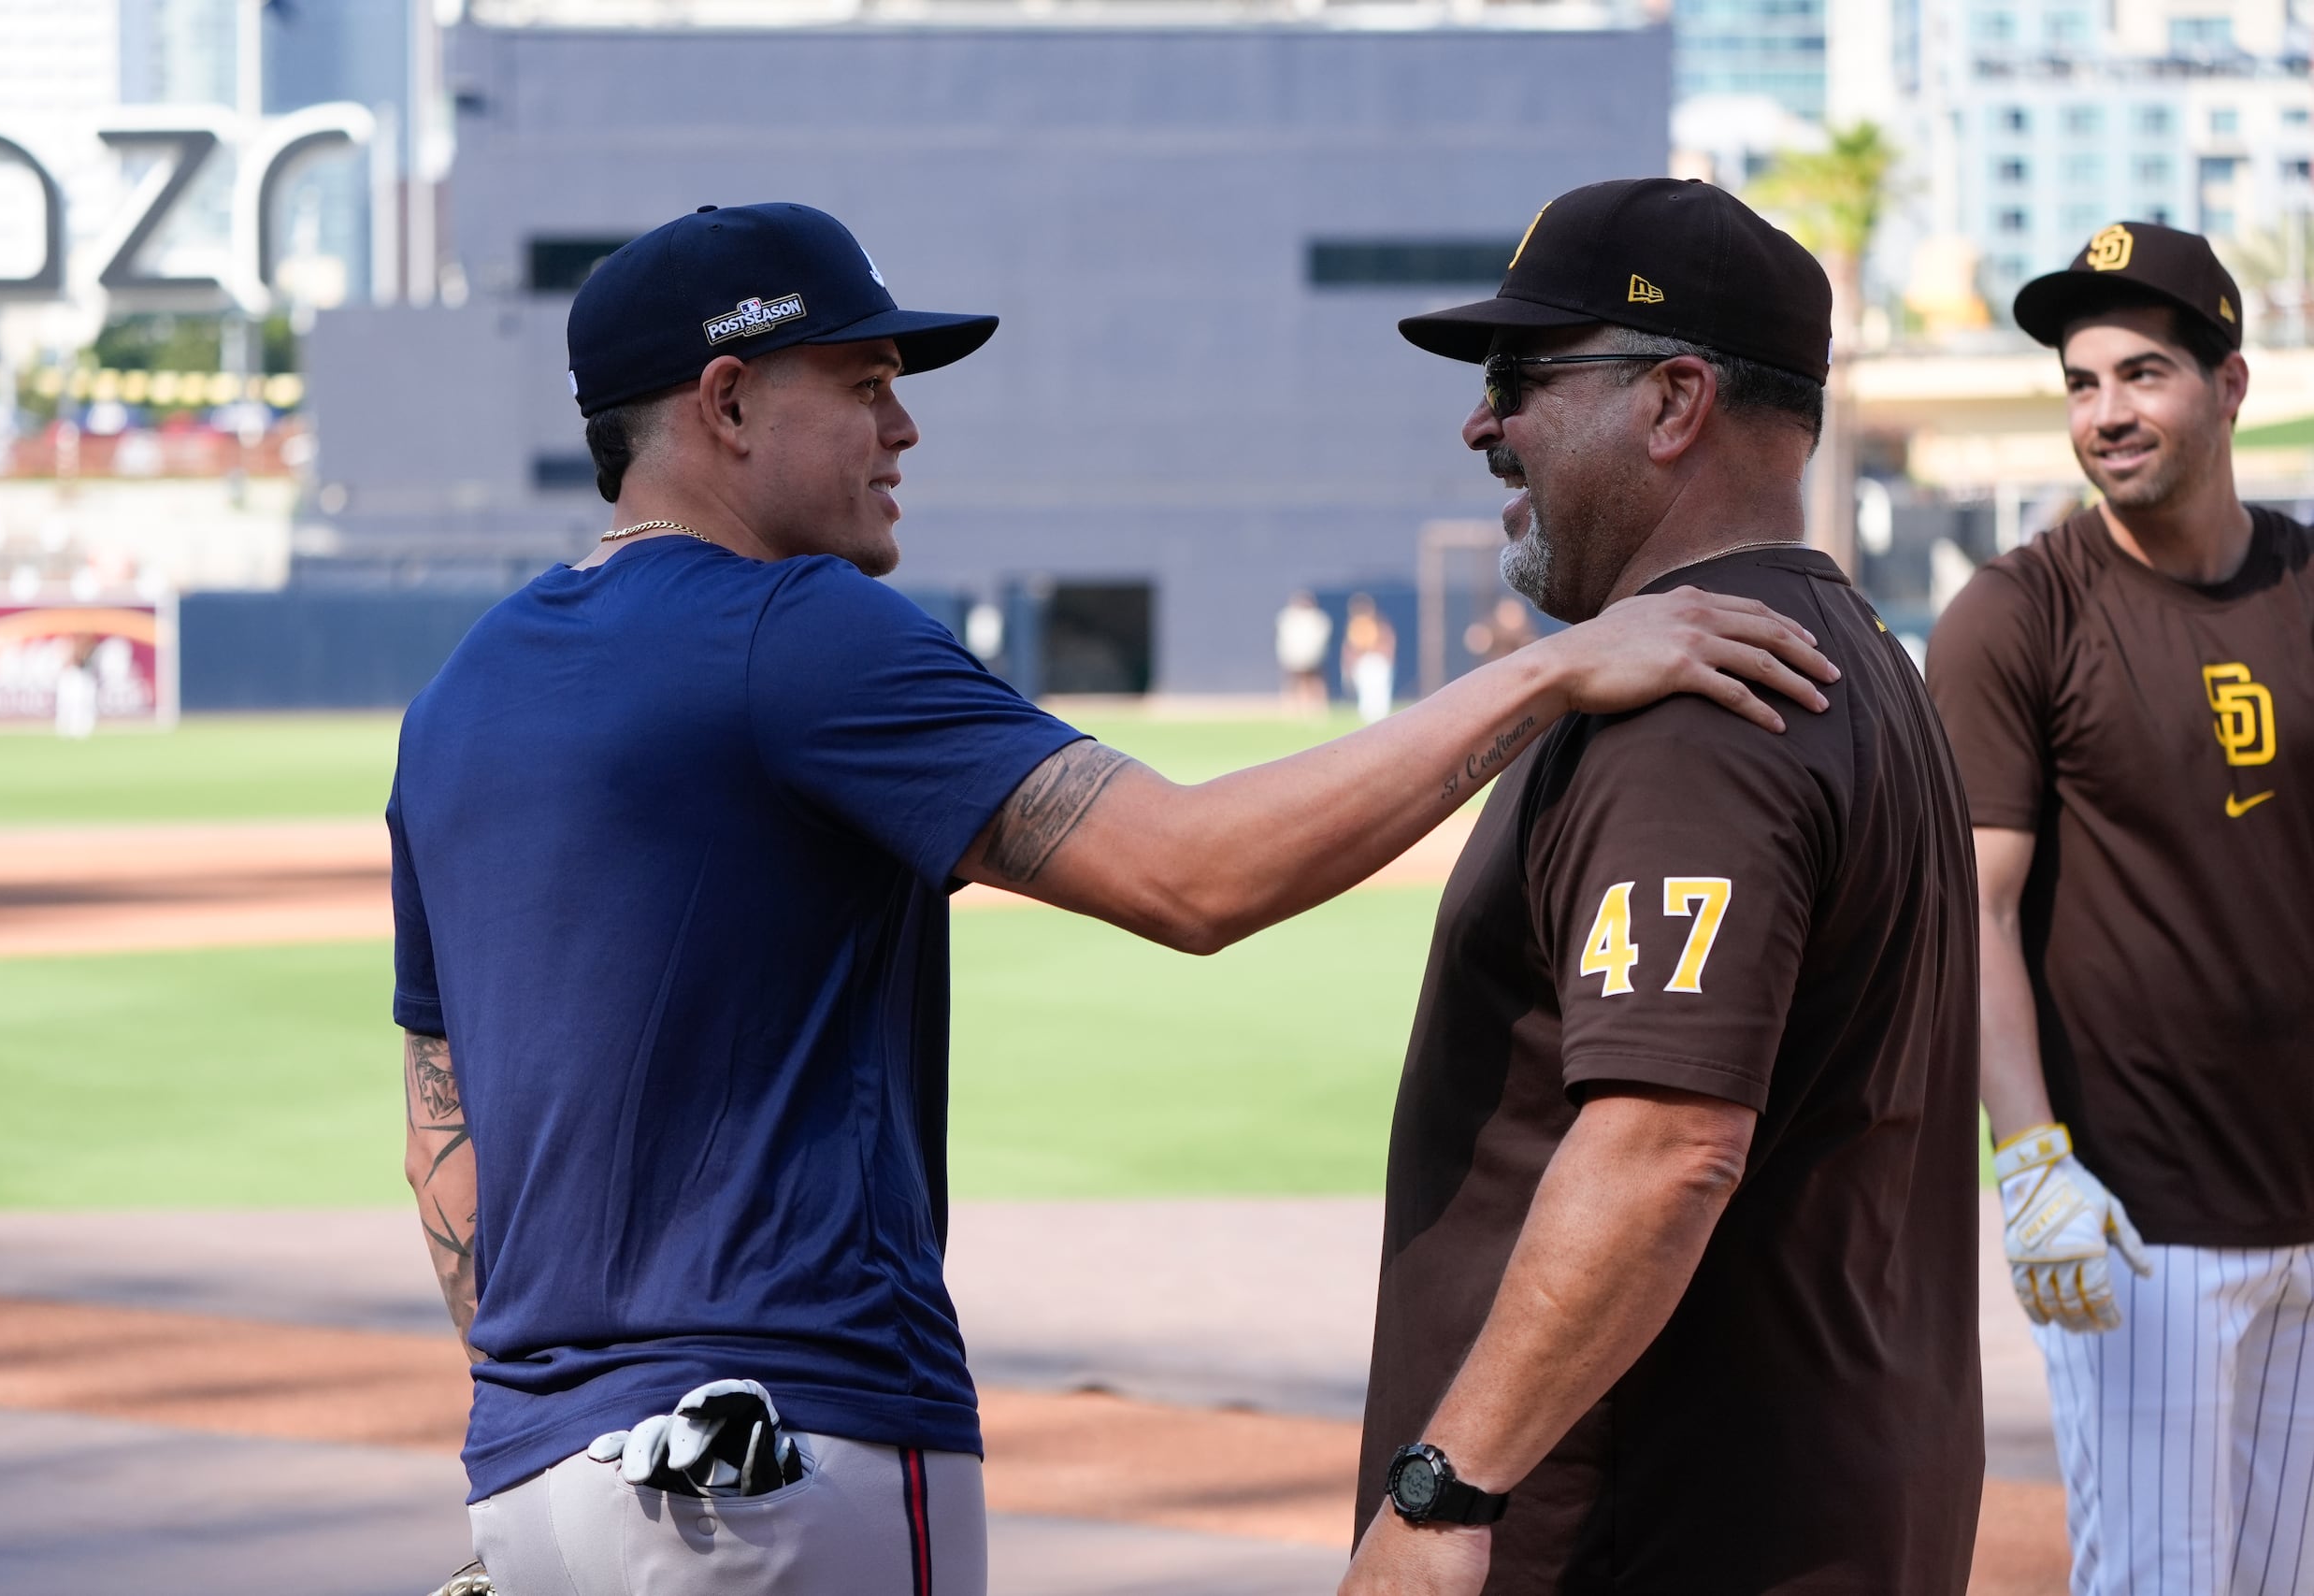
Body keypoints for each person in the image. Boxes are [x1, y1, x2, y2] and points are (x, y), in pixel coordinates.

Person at [387, 201, 1838, 1596]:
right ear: (728, 400)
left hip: (532, 1480)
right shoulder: (800, 626)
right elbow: (1195, 871)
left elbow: (441, 1139)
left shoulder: (460, 699)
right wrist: (1549, 668)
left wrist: (562, 1435)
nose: (904, 427)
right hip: (789, 1448)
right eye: (867, 380)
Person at [1344, 177, 1983, 1595]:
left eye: (1521, 378)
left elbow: (1665, 1147)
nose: (1481, 424)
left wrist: (1447, 1492)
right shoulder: (1850, 653)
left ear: (1675, 399)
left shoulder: (1700, 711)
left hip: (1654, 1534)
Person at [1927, 222, 2314, 1595]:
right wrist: (2030, 1160)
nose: (2106, 414)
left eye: (2143, 374)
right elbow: (1971, 909)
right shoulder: (2016, 615)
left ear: (2230, 384)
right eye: (2083, 385)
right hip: (2138, 1229)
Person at [1275, 588, 1332, 714]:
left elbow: (1319, 638)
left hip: (1311, 657)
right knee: (1293, 683)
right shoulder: (1288, 617)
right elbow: (1285, 638)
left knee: (1314, 682)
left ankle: (1317, 709)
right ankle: (1290, 709)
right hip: (1294, 656)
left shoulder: (1317, 618)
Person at [1343, 593, 1398, 722]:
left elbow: (1388, 640)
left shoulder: (1379, 622)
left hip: (1377, 658)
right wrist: (1350, 662)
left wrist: (1387, 657)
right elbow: (1350, 646)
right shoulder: (1353, 624)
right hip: (1362, 660)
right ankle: (1368, 721)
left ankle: (1381, 720)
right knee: (1365, 693)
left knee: (1379, 692)